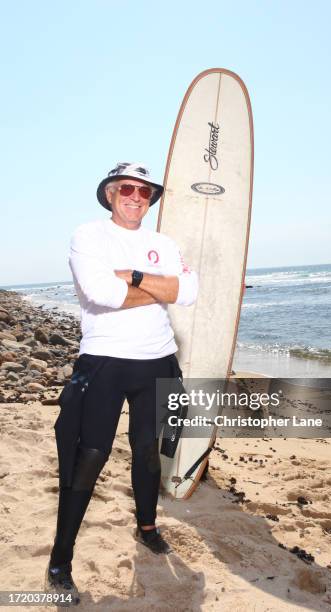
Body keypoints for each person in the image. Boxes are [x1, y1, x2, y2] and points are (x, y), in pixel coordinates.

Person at [46, 162, 198, 604]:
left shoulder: (162, 242)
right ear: (111, 193)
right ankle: (60, 559)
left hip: (158, 359)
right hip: (104, 363)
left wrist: (130, 276)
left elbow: (187, 292)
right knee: (87, 459)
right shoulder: (89, 236)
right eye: (127, 189)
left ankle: (147, 527)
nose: (136, 197)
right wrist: (158, 287)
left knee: (148, 449)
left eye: (145, 192)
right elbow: (100, 294)